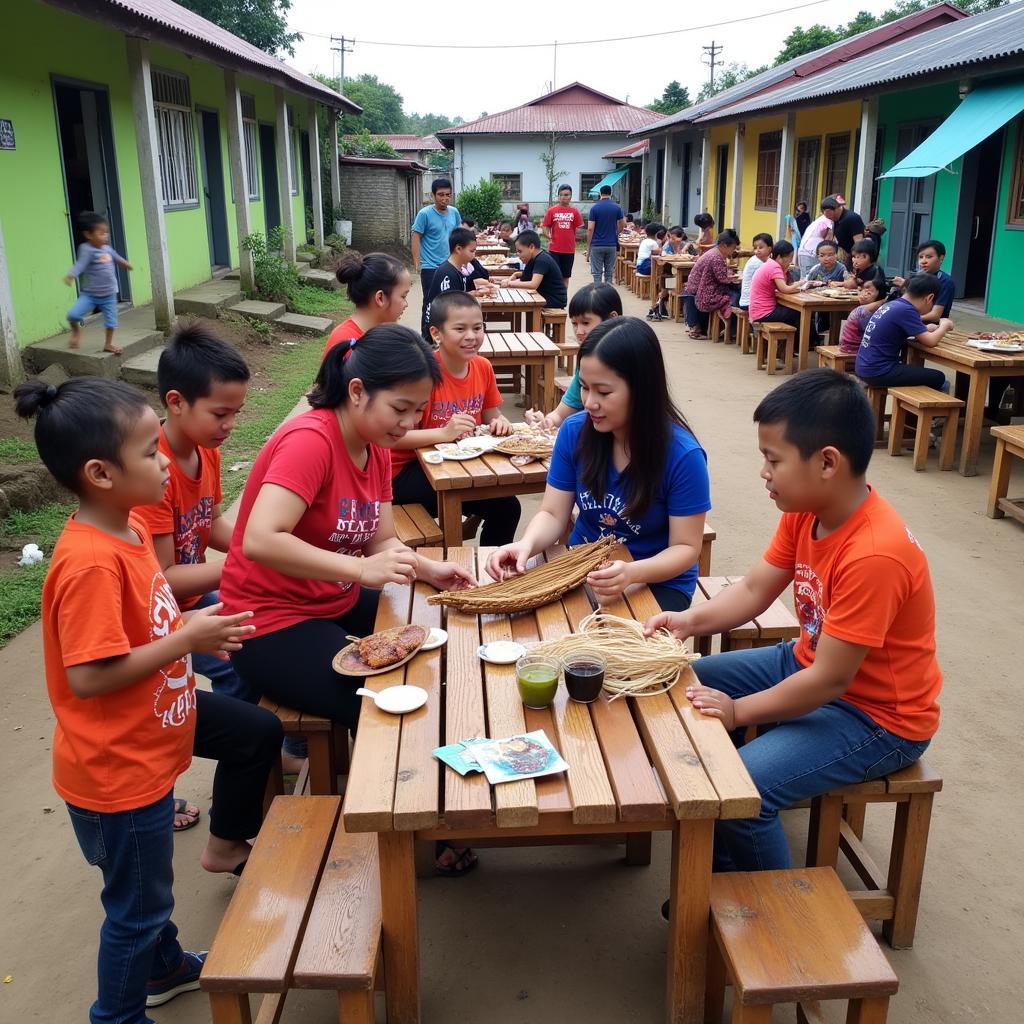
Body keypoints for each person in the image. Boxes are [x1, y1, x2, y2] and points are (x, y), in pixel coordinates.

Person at [17, 375, 282, 1022]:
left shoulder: (129, 532)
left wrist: (197, 636)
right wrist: (189, 636)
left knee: (252, 733)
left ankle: (164, 966)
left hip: (155, 729)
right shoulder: (87, 564)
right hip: (118, 771)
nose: (166, 460)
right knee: (137, 910)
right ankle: (118, 1014)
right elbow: (90, 677)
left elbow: (152, 622)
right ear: (101, 474)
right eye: (148, 452)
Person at [645, 369, 939, 880]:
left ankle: (771, 915)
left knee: (746, 788)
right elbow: (757, 590)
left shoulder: (875, 554)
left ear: (827, 462)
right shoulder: (806, 509)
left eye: (773, 459)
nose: (764, 471)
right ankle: (717, 870)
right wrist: (687, 622)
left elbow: (830, 681)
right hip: (807, 663)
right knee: (684, 682)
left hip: (878, 718)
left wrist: (738, 712)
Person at [220, 327, 478, 875]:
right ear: (357, 391)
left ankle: (424, 797)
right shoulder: (310, 440)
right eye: (401, 408)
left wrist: (427, 567)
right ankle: (401, 824)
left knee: (442, 641)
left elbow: (381, 539)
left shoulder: (375, 445)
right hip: (268, 622)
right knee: (387, 698)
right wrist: (359, 570)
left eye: (417, 411)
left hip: (331, 602)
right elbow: (261, 538)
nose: (410, 425)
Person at [133, 323, 272, 825]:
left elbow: (209, 522)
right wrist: (242, 562)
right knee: (193, 684)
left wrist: (256, 548)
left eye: (236, 412)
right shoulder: (153, 471)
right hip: (160, 612)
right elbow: (164, 577)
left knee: (258, 635)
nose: (230, 424)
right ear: (176, 402)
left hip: (191, 595)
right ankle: (188, 790)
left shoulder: (204, 450)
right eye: (220, 412)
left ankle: (263, 750)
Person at [487, 317, 710, 612]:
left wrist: (632, 572)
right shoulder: (574, 431)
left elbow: (685, 548)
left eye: (603, 392)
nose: (590, 402)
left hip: (656, 581)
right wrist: (526, 545)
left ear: (642, 390)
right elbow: (553, 513)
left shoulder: (683, 456)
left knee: (604, 646)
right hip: (581, 567)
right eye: (584, 387)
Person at [390, 292, 520, 544]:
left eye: (478, 328)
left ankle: (491, 573)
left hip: (455, 465)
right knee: (458, 493)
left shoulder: (483, 367)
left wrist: (500, 423)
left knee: (507, 508)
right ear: (436, 334)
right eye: (460, 329)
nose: (471, 336)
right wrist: (444, 433)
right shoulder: (422, 374)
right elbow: (394, 437)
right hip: (404, 472)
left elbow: (492, 414)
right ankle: (452, 566)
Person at [524, 283, 622, 431]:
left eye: (586, 323)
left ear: (612, 318)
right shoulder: (587, 361)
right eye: (575, 324)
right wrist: (547, 421)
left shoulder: (628, 359)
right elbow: (562, 412)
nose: (579, 331)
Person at [855, 272, 952, 391]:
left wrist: (925, 329)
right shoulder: (907, 310)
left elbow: (898, 329)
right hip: (879, 371)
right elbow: (930, 341)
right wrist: (944, 325)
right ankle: (931, 409)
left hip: (864, 367)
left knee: (919, 373)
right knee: (939, 377)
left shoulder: (894, 304)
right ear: (929, 298)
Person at [63, 211, 132, 355]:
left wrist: (125, 264)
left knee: (111, 322)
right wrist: (71, 275)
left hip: (109, 294)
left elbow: (117, 258)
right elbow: (80, 264)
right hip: (90, 294)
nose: (105, 236)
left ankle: (108, 344)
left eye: (106, 233)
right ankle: (76, 332)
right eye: (101, 233)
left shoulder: (107, 249)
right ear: (88, 235)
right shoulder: (86, 249)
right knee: (73, 315)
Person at [322, 251, 411, 361]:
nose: (406, 304)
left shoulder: (386, 332)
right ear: (380, 298)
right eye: (403, 296)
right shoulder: (345, 343)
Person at [411, 178, 461, 338]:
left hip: (450, 266)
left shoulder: (454, 212)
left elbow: (458, 236)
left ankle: (447, 336)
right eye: (440, 195)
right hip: (430, 267)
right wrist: (417, 261)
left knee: (451, 302)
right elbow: (416, 236)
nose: (445, 198)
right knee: (430, 303)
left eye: (448, 195)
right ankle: (426, 338)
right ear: (433, 195)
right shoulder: (424, 214)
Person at [421, 227, 493, 338]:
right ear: (458, 249)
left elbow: (459, 293)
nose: (474, 255)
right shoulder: (447, 273)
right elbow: (451, 306)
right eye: (471, 251)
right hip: (438, 334)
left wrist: (476, 289)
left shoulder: (456, 269)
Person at [683, 229, 741, 340]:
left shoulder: (713, 252)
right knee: (734, 296)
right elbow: (722, 279)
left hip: (698, 287)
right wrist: (734, 278)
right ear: (724, 245)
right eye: (732, 248)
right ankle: (731, 329)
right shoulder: (716, 257)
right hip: (703, 292)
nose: (733, 251)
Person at [893, 240, 955, 324]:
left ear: (941, 258)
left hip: (930, 327)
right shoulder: (917, 276)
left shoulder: (945, 281)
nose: (923, 261)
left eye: (929, 257)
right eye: (921, 257)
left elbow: (935, 315)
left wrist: (908, 318)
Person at [749, 240, 804, 332]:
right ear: (779, 257)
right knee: (799, 313)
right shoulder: (775, 267)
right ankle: (804, 344)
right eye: (790, 257)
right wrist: (801, 283)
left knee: (791, 312)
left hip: (757, 311)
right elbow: (785, 289)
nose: (791, 261)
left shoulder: (769, 263)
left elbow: (783, 285)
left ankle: (790, 343)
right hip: (764, 313)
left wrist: (785, 270)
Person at [507, 230, 567, 308]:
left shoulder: (542, 260)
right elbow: (527, 276)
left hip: (554, 300)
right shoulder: (535, 257)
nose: (518, 255)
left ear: (531, 247)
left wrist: (510, 283)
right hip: (546, 296)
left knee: (526, 301)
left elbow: (533, 284)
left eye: (520, 251)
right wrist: (516, 274)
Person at [541, 184, 584, 289]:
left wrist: (581, 237)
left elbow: (579, 230)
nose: (564, 197)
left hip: (569, 250)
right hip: (554, 249)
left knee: (565, 277)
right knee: (554, 276)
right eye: (562, 195)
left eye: (567, 195)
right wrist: (549, 237)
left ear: (571, 196)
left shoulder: (575, 212)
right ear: (558, 196)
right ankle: (554, 299)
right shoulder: (552, 211)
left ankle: (563, 301)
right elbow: (545, 227)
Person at [839, 267, 887, 356]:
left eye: (869, 293)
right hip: (855, 349)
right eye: (862, 291)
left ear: (879, 298)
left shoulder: (865, 310)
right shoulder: (864, 313)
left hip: (849, 347)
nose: (863, 295)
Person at [586, 185, 625, 284]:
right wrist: (616, 233)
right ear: (610, 193)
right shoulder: (617, 207)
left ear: (600, 193)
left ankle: (598, 295)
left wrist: (588, 245)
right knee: (609, 273)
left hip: (597, 245)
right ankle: (608, 296)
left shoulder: (594, 208)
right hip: (611, 244)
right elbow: (623, 223)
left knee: (597, 273)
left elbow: (590, 229)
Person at [823, 194, 865, 267]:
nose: (830, 218)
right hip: (846, 255)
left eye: (830, 215)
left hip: (856, 258)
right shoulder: (835, 219)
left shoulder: (852, 218)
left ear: (837, 208)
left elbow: (859, 243)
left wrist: (857, 262)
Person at [634, 222, 665, 321]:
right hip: (645, 266)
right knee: (662, 273)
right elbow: (661, 254)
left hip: (640, 266)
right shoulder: (653, 243)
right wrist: (660, 244)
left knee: (661, 271)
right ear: (657, 234)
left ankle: (658, 299)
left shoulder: (645, 241)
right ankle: (658, 298)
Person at [738, 233, 773, 311]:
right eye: (755, 248)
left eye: (760, 247)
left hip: (749, 301)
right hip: (750, 303)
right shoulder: (758, 261)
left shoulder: (763, 260)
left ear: (770, 248)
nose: (757, 250)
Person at [797, 206, 834, 278]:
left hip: (806, 252)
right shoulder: (828, 221)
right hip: (810, 254)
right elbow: (828, 240)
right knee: (808, 281)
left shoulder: (820, 220)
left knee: (808, 280)